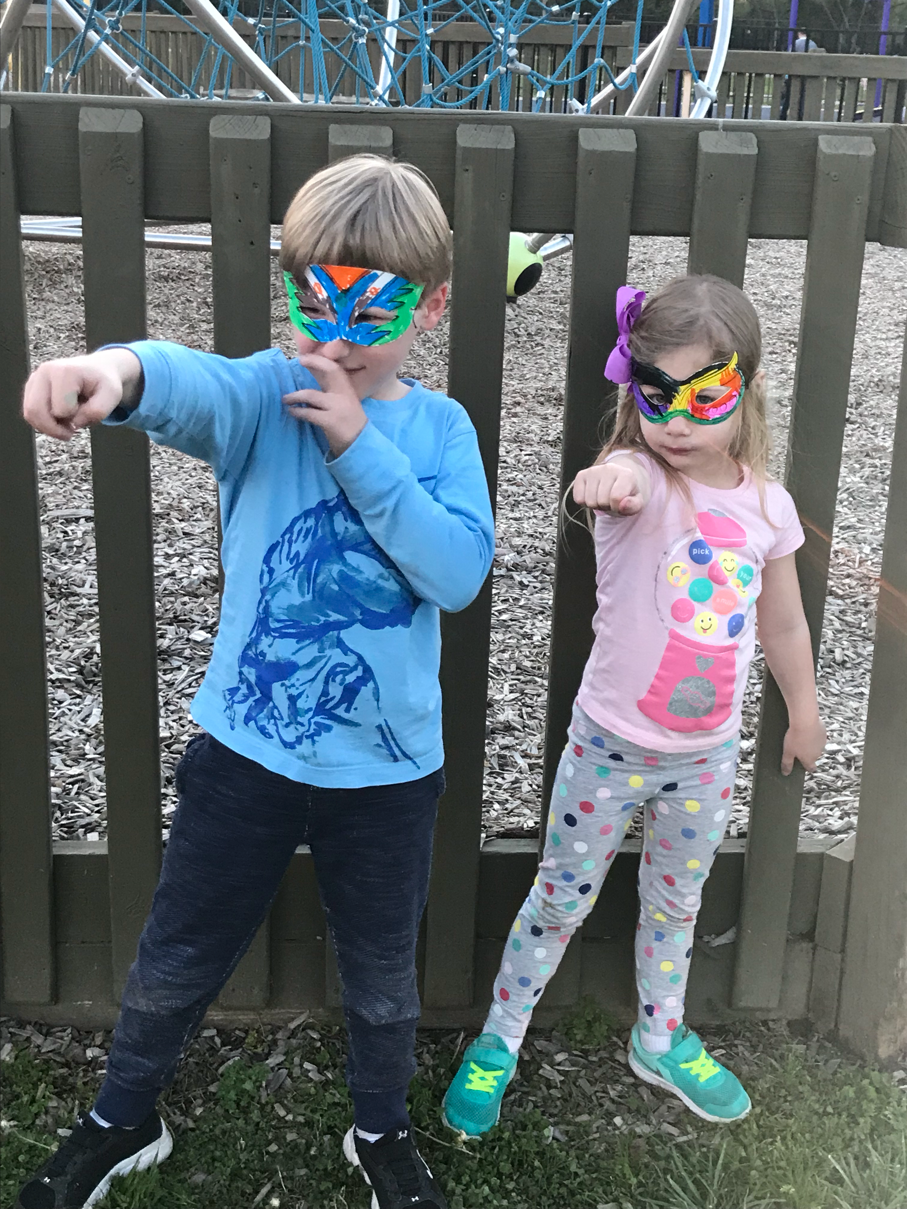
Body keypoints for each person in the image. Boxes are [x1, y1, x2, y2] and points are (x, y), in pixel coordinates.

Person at [16, 154, 494, 1209]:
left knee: (382, 974)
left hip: (387, 773)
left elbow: (456, 572)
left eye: (374, 308)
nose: (338, 337)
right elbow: (186, 379)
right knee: (180, 947)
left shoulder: (441, 432)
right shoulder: (266, 399)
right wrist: (109, 371)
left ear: (432, 304)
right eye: (315, 300)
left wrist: (360, 447)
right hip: (245, 753)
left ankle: (379, 1131)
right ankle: (123, 1117)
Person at [443, 275, 826, 1137]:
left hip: (705, 758)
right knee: (558, 898)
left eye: (704, 396)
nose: (676, 420)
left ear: (746, 387)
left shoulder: (768, 507)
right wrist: (602, 479)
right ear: (634, 393)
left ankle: (657, 1038)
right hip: (608, 749)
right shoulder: (639, 478)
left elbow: (783, 621)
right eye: (656, 395)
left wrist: (802, 708)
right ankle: (500, 1036)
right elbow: (612, 476)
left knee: (675, 905)